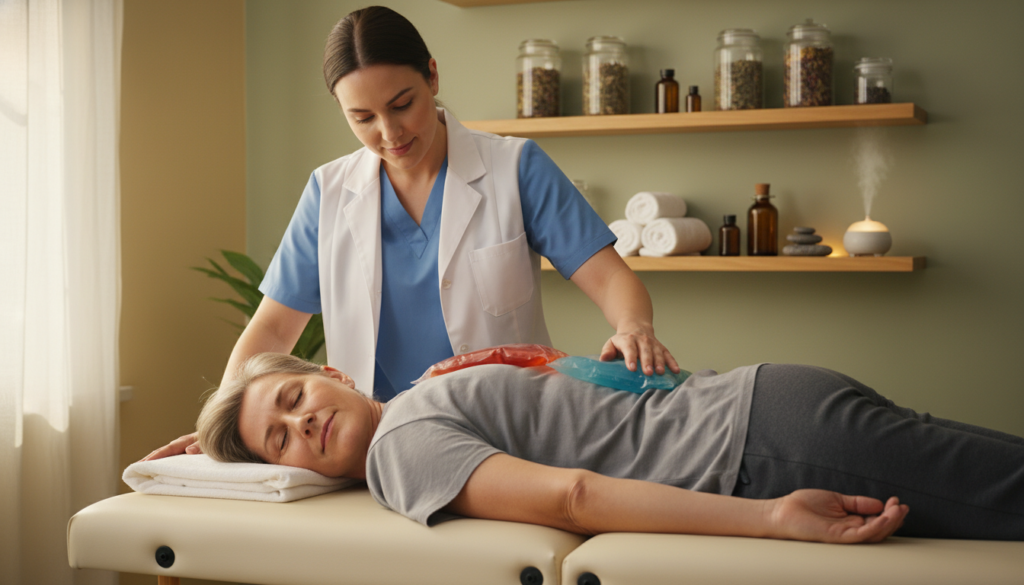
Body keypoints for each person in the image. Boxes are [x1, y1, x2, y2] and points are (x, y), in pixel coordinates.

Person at [145, 6, 680, 461]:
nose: (389, 133)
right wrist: (223, 431)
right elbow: (272, 328)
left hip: (507, 432)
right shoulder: (329, 193)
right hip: (375, 449)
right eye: (362, 118)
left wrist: (633, 326)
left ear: (433, 77)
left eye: (402, 105)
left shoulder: (514, 167)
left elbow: (610, 279)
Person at [197, 351, 1024, 543]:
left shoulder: (402, 443)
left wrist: (773, 515)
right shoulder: (432, 386)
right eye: (280, 439)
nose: (302, 424)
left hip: (767, 449)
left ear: (332, 372)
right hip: (774, 398)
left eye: (295, 399)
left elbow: (574, 496)